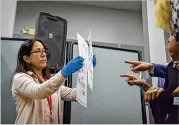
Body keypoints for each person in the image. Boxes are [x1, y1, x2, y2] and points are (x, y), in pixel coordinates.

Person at [11, 39, 97, 124]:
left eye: (44, 51)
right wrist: (64, 72)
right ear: (26, 58)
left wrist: (86, 70)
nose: (43, 54)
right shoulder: (20, 78)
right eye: (38, 51)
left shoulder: (50, 81)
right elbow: (38, 92)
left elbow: (76, 95)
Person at [121, 35, 179, 124]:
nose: (168, 40)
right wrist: (146, 86)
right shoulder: (171, 68)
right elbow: (163, 102)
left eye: (172, 35)